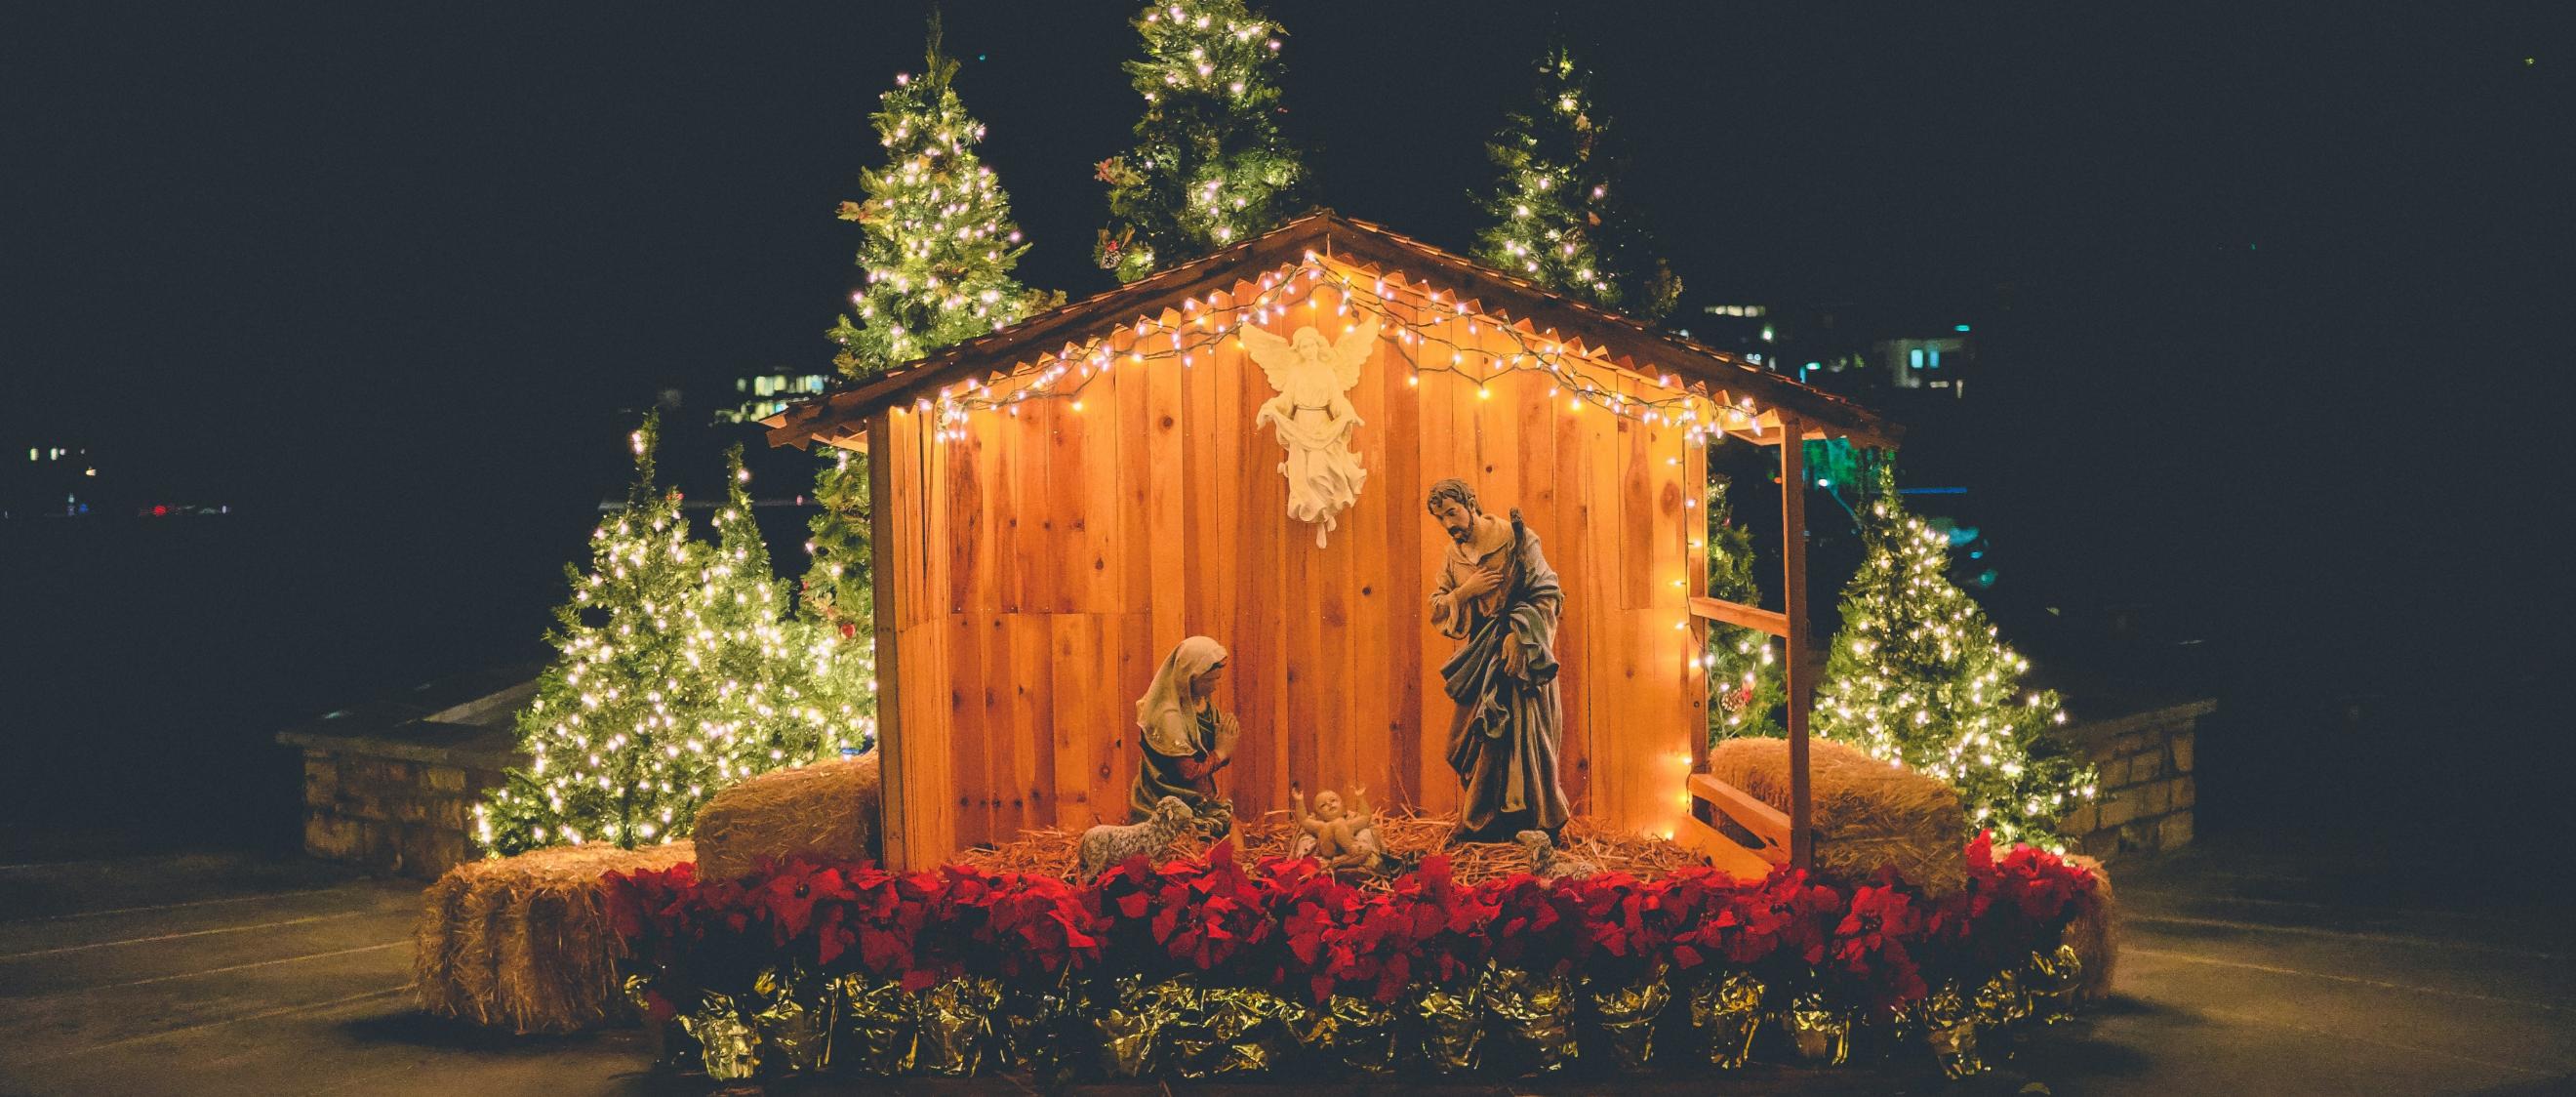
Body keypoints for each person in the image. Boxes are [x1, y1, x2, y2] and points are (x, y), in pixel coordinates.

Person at [1426, 478, 1572, 842]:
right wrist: (1466, 591)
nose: (1448, 524)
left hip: (1523, 658)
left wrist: (1520, 636)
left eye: (1453, 513)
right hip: (1481, 657)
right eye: (1441, 518)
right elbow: (1437, 607)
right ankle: (1486, 822)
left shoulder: (1516, 539)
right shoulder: (1453, 555)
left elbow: (1549, 594)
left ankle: (1536, 822)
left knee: (1526, 737)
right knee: (1471, 740)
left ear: (1471, 504)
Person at [1128, 635, 1239, 833]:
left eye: (1217, 679)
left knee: (1228, 829)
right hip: (1168, 801)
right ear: (1189, 677)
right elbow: (1188, 772)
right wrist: (1221, 752)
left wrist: (1225, 739)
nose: (1214, 686)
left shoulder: (1199, 701)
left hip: (1197, 797)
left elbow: (1211, 747)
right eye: (1209, 680)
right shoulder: (1168, 715)